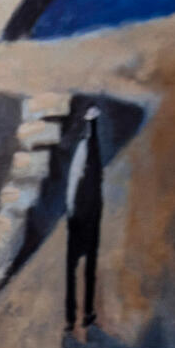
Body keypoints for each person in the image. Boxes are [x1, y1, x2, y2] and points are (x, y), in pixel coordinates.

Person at [64, 106, 103, 335]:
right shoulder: (91, 151)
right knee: (87, 268)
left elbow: (75, 188)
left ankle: (73, 317)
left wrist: (72, 213)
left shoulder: (83, 150)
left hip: (78, 217)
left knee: (74, 270)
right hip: (88, 217)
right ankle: (84, 313)